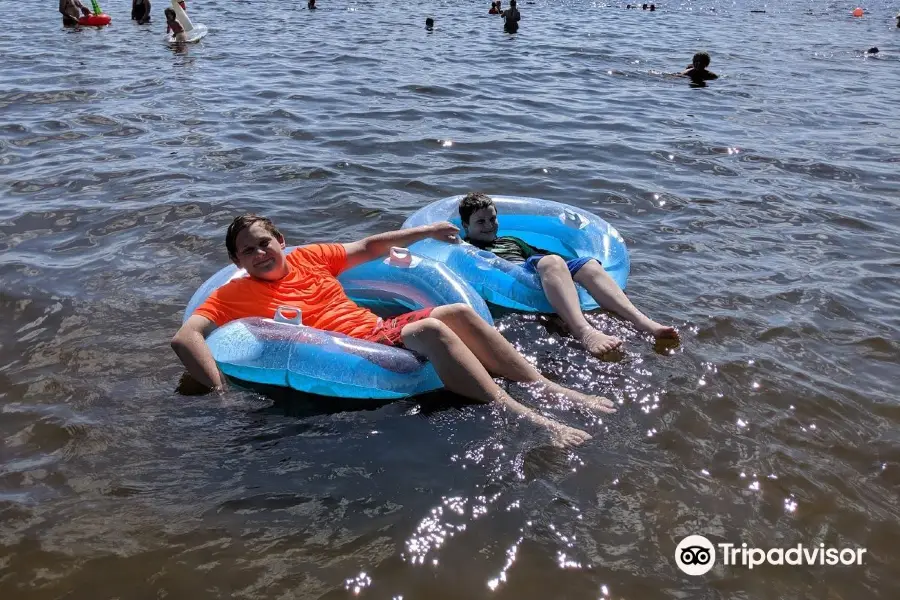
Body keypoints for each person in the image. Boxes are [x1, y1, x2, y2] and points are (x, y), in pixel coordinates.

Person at [172, 215, 619, 447]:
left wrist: (425, 230)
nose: (259, 253)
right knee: (432, 328)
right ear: (237, 262)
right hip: (351, 346)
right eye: (247, 251)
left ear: (280, 241)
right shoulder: (233, 295)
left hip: (377, 329)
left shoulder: (311, 258)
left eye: (263, 243)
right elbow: (186, 337)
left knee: (457, 313)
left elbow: (370, 246)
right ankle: (521, 413)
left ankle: (547, 386)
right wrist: (219, 391)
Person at [458, 193, 679, 358]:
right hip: (513, 276)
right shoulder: (465, 247)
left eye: (492, 219)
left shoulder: (511, 241)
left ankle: (644, 322)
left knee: (589, 265)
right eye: (481, 222)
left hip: (533, 268)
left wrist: (574, 269)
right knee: (552, 262)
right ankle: (584, 331)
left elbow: (541, 256)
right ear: (466, 226)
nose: (489, 225)